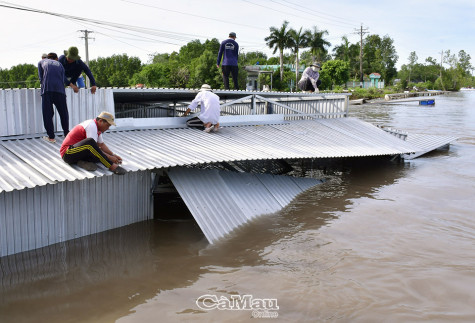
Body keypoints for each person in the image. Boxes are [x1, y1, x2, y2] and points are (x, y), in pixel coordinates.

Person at [60, 111, 126, 175]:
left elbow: (101, 145)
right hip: (68, 153)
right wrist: (109, 158)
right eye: (107, 125)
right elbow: (93, 147)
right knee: (91, 144)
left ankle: (81, 162)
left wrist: (112, 155)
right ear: (100, 121)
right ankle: (111, 166)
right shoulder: (91, 125)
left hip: (78, 154)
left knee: (98, 155)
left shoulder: (98, 129)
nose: (108, 128)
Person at [38, 52, 75, 143]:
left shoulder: (41, 62)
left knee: (47, 113)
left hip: (47, 90)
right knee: (63, 113)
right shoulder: (60, 65)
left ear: (45, 58)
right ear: (56, 58)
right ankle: (66, 134)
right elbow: (63, 79)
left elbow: (41, 78)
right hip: (60, 91)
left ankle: (51, 137)